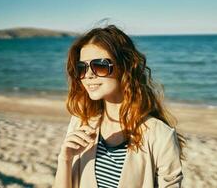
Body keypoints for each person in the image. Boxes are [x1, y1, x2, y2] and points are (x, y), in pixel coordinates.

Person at [53, 25, 186, 188]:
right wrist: (65, 159)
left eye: (99, 65)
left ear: (125, 67)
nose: (88, 75)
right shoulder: (80, 122)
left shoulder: (160, 136)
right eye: (82, 68)